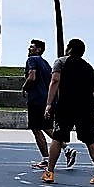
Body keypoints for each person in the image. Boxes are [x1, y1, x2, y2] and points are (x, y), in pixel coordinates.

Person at [41, 38, 94, 186]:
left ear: (69, 49)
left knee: (58, 138)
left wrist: (49, 104)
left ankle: (49, 172)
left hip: (66, 107)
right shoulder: (88, 68)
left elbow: (55, 81)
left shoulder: (61, 62)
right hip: (86, 109)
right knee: (91, 141)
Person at [22, 39, 76, 171]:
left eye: (32, 47)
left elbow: (32, 76)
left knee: (36, 128)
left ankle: (46, 159)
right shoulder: (45, 63)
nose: (29, 49)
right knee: (46, 127)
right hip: (46, 100)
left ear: (38, 49)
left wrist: (24, 87)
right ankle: (67, 149)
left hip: (36, 99)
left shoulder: (32, 60)